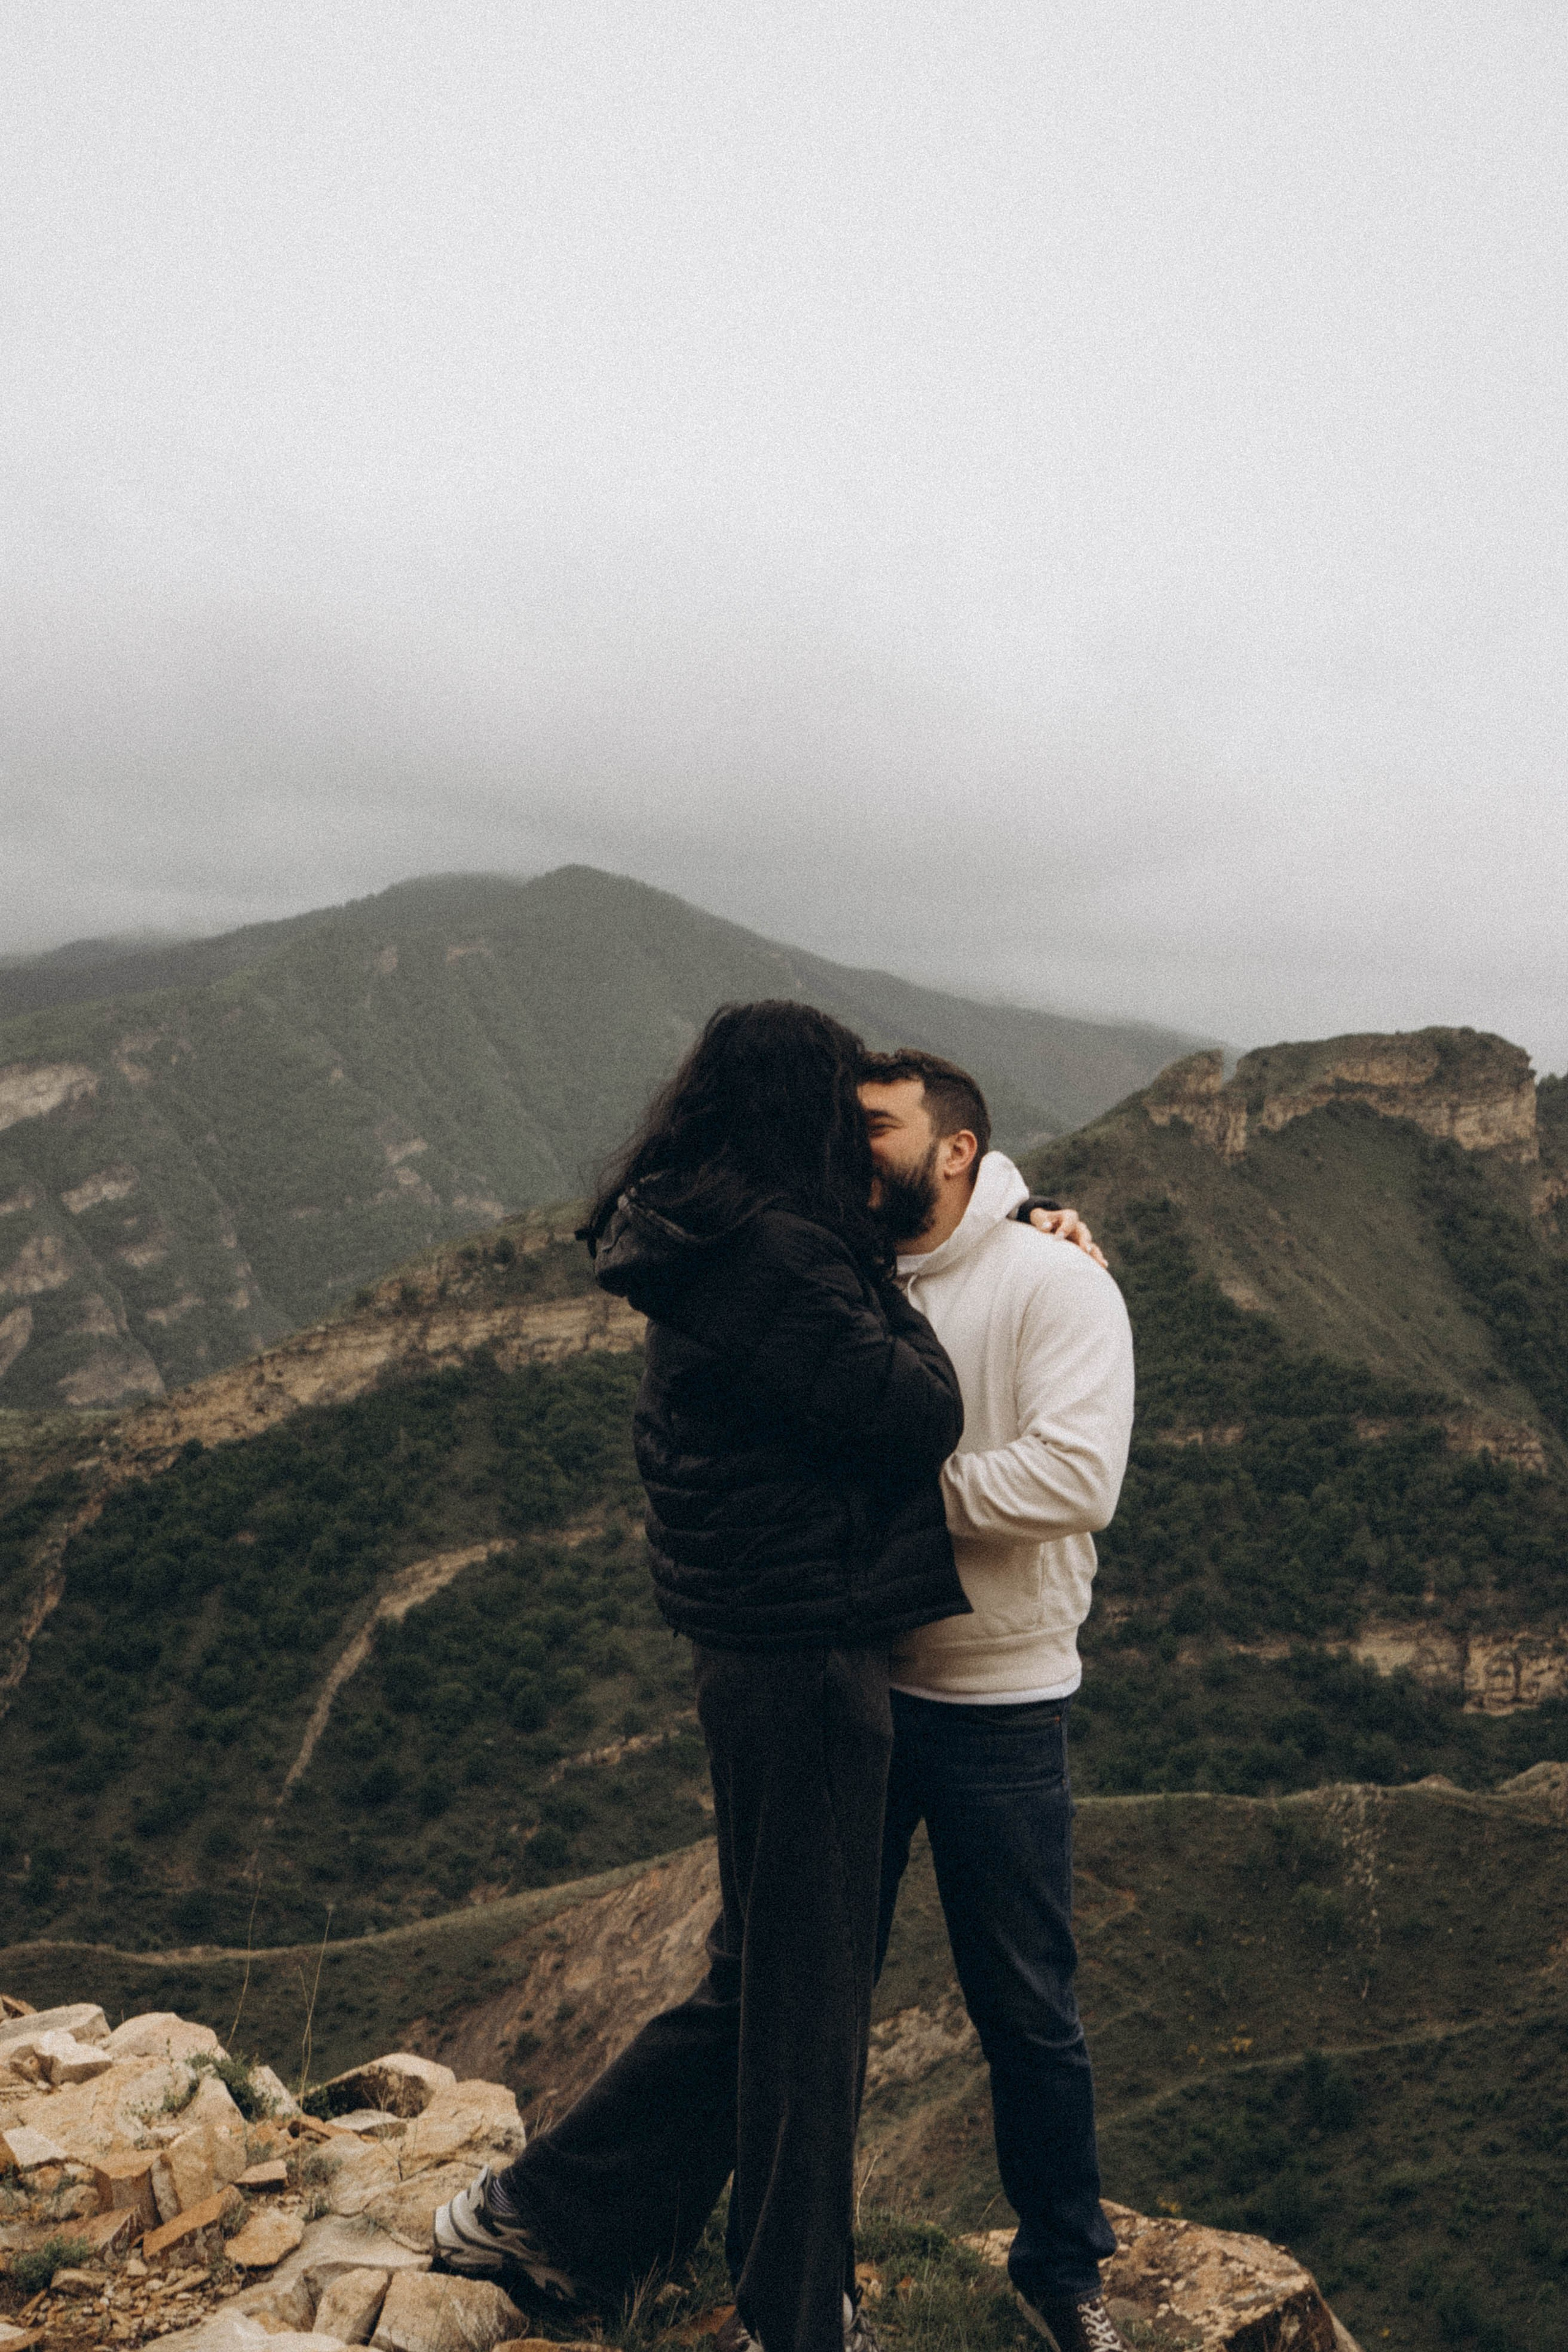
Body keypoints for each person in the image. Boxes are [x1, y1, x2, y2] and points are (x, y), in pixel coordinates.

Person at [434, 1001, 969, 2352]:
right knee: (803, 2004)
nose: (856, 1146)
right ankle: (790, 2313)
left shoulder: (719, 1235)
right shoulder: (777, 1254)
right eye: (841, 1118)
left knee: (765, 1979)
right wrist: (905, 1303)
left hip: (766, 1645)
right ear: (795, 1112)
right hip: (800, 1653)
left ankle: (553, 2220)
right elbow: (916, 1415)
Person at [857, 1050, 1135, 2352]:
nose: (852, 1149)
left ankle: (1062, 2268)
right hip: (848, 1688)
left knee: (1025, 2004)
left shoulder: (1050, 1279)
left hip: (999, 1700)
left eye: (876, 1128)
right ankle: (787, 2264)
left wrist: (889, 1505)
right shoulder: (846, 1272)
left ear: (953, 1148)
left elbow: (1073, 1479)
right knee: (809, 1999)